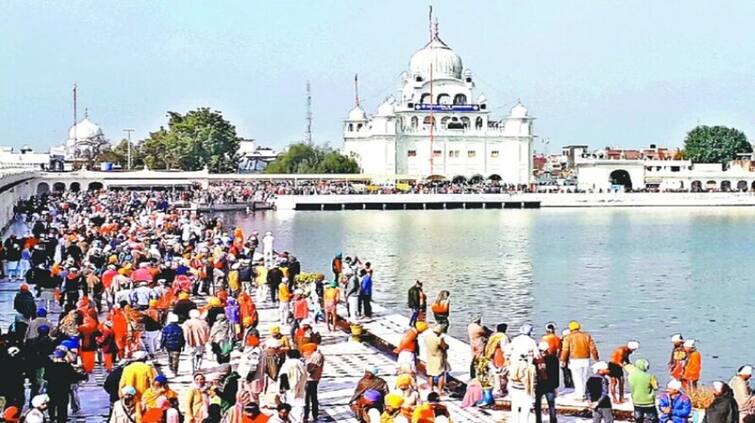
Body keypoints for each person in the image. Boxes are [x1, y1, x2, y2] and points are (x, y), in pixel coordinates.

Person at [45, 348, 87, 423]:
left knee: (51, 406)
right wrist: (83, 375)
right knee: (62, 409)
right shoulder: (66, 366)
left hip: (51, 390)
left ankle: (52, 419)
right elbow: (74, 377)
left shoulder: (49, 366)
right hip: (63, 391)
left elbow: (45, 377)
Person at [560, 320, 599, 401]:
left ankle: (579, 395)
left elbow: (565, 350)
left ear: (570, 329)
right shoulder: (587, 336)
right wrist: (596, 359)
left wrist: (562, 360)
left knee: (577, 378)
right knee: (583, 377)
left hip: (574, 360)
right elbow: (593, 348)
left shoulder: (568, 337)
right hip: (586, 359)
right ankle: (583, 393)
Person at [625, 358, 658, 423]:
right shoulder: (650, 376)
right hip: (649, 402)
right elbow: (655, 387)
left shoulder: (630, 376)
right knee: (653, 419)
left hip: (636, 401)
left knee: (638, 419)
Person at [534, 341, 559, 423]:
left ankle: (538, 420)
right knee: (551, 405)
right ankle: (553, 420)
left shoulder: (536, 360)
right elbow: (556, 373)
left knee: (537, 405)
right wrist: (556, 386)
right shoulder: (554, 358)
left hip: (539, 385)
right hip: (550, 385)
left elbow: (535, 373)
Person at [425, 324, 449, 394]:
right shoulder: (439, 339)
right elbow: (444, 347)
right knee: (441, 374)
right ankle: (440, 390)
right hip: (438, 357)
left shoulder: (427, 337)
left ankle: (431, 389)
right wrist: (446, 345)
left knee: (430, 374)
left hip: (430, 356)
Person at [303, 342, 324, 422]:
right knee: (312, 397)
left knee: (308, 398)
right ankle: (312, 414)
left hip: (311, 379)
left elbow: (311, 368)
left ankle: (307, 415)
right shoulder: (316, 355)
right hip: (313, 379)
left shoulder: (316, 355)